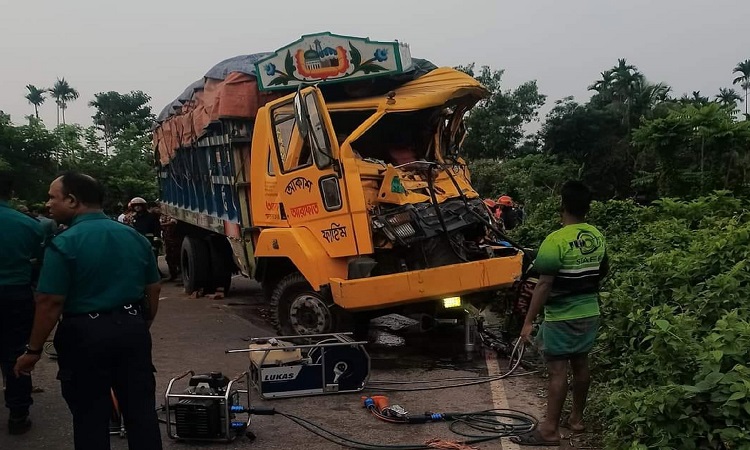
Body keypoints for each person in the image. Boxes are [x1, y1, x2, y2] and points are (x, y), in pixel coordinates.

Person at [14, 172, 163, 450]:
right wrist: (142, 324)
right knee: (141, 413)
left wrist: (33, 351)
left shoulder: (65, 243)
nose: (48, 204)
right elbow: (153, 289)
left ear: (72, 201)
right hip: (132, 328)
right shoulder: (134, 237)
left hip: (85, 335)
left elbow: (49, 302)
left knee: (90, 417)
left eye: (52, 197)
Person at [512, 181, 608, 447]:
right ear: (587, 208)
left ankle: (550, 431)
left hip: (561, 316)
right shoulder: (597, 236)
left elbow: (543, 284)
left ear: (562, 206)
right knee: (581, 364)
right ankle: (576, 420)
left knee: (557, 371)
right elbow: (602, 271)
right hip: (590, 312)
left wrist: (528, 322)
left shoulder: (556, 240)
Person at [0, 175, 43, 435]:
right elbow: (39, 263)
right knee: (15, 352)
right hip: (15, 295)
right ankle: (18, 414)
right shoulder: (28, 225)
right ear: (12, 192)